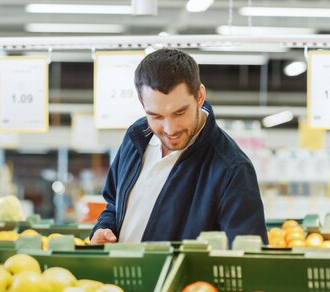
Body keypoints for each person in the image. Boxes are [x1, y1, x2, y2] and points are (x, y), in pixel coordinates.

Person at [90, 48, 266, 244]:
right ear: (142, 103)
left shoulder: (231, 168)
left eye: (180, 113)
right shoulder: (136, 137)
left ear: (199, 96)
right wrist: (104, 227)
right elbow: (114, 204)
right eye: (156, 116)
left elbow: (247, 253)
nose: (170, 129)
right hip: (121, 272)